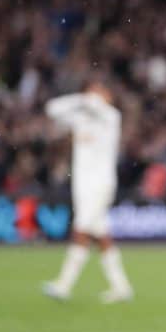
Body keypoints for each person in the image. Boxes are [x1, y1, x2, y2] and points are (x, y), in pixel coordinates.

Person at [42, 82, 134, 304]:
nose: (95, 95)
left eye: (100, 91)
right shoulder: (81, 119)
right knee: (101, 234)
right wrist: (80, 99)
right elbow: (51, 108)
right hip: (82, 185)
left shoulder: (111, 118)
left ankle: (63, 285)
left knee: (81, 229)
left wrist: (89, 99)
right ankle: (121, 287)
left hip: (100, 184)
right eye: (92, 91)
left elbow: (98, 106)